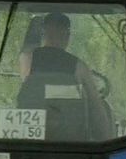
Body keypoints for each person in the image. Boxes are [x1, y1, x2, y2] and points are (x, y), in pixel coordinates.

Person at [24, 11, 113, 139]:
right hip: (71, 143)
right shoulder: (79, 67)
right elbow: (96, 108)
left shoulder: (27, 60)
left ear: (44, 33)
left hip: (29, 137)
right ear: (67, 35)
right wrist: (106, 142)